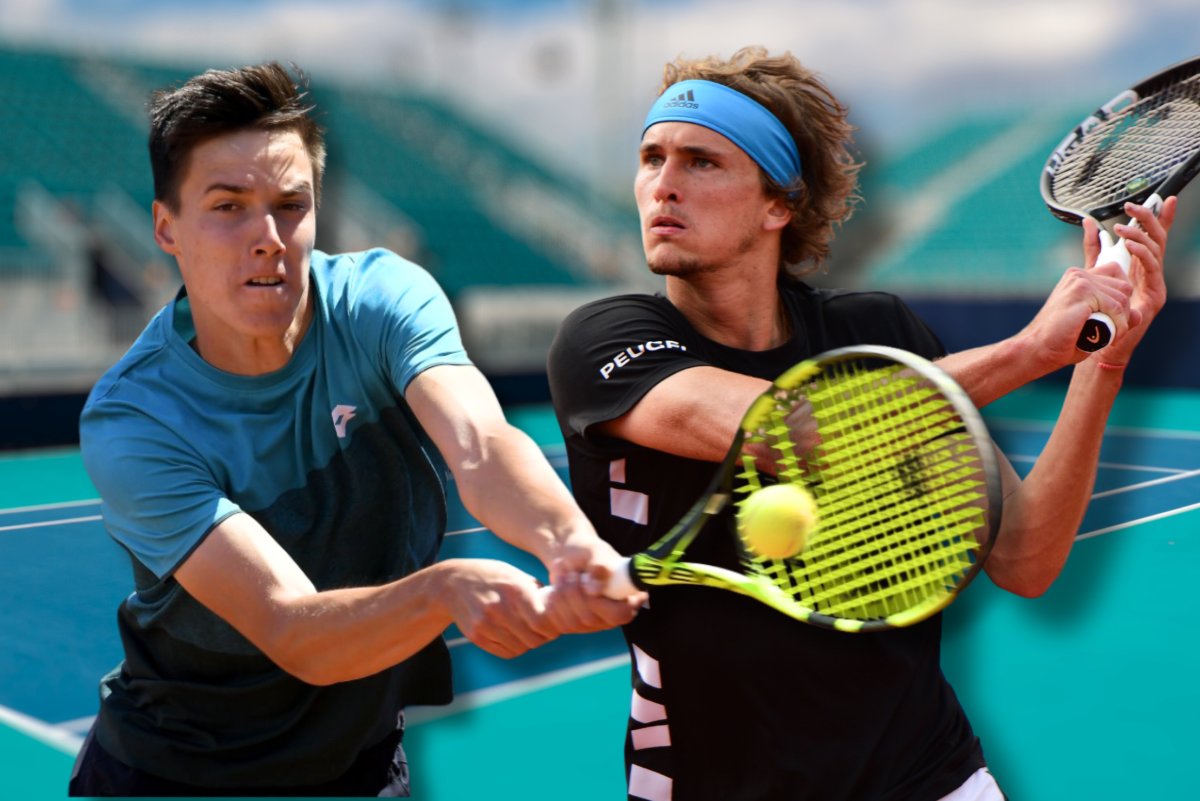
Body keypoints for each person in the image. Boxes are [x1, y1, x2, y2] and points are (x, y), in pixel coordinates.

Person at [546, 46, 1177, 801]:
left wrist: (1098, 365)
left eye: (702, 162)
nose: (663, 187)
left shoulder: (881, 331)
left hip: (927, 776)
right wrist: (1028, 350)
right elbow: (793, 429)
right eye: (651, 158)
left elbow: (1024, 556)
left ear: (779, 204)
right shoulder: (603, 340)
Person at [69, 61, 638, 797]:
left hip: (358, 764)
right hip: (172, 771)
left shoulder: (381, 300)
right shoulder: (135, 418)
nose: (268, 236)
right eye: (228, 206)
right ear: (165, 228)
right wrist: (445, 591)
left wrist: (570, 541)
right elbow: (292, 628)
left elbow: (481, 444)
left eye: (290, 204)